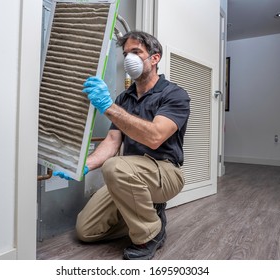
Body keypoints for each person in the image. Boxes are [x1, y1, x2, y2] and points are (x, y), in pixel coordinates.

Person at [55, 31, 190, 260]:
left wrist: (108, 107)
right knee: (86, 230)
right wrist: (83, 165)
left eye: (136, 52)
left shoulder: (174, 94)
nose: (129, 59)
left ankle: (149, 233)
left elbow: (155, 136)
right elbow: (112, 141)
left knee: (114, 167)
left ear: (154, 58)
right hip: (129, 173)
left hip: (166, 172)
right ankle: (149, 217)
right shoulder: (124, 99)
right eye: (126, 53)